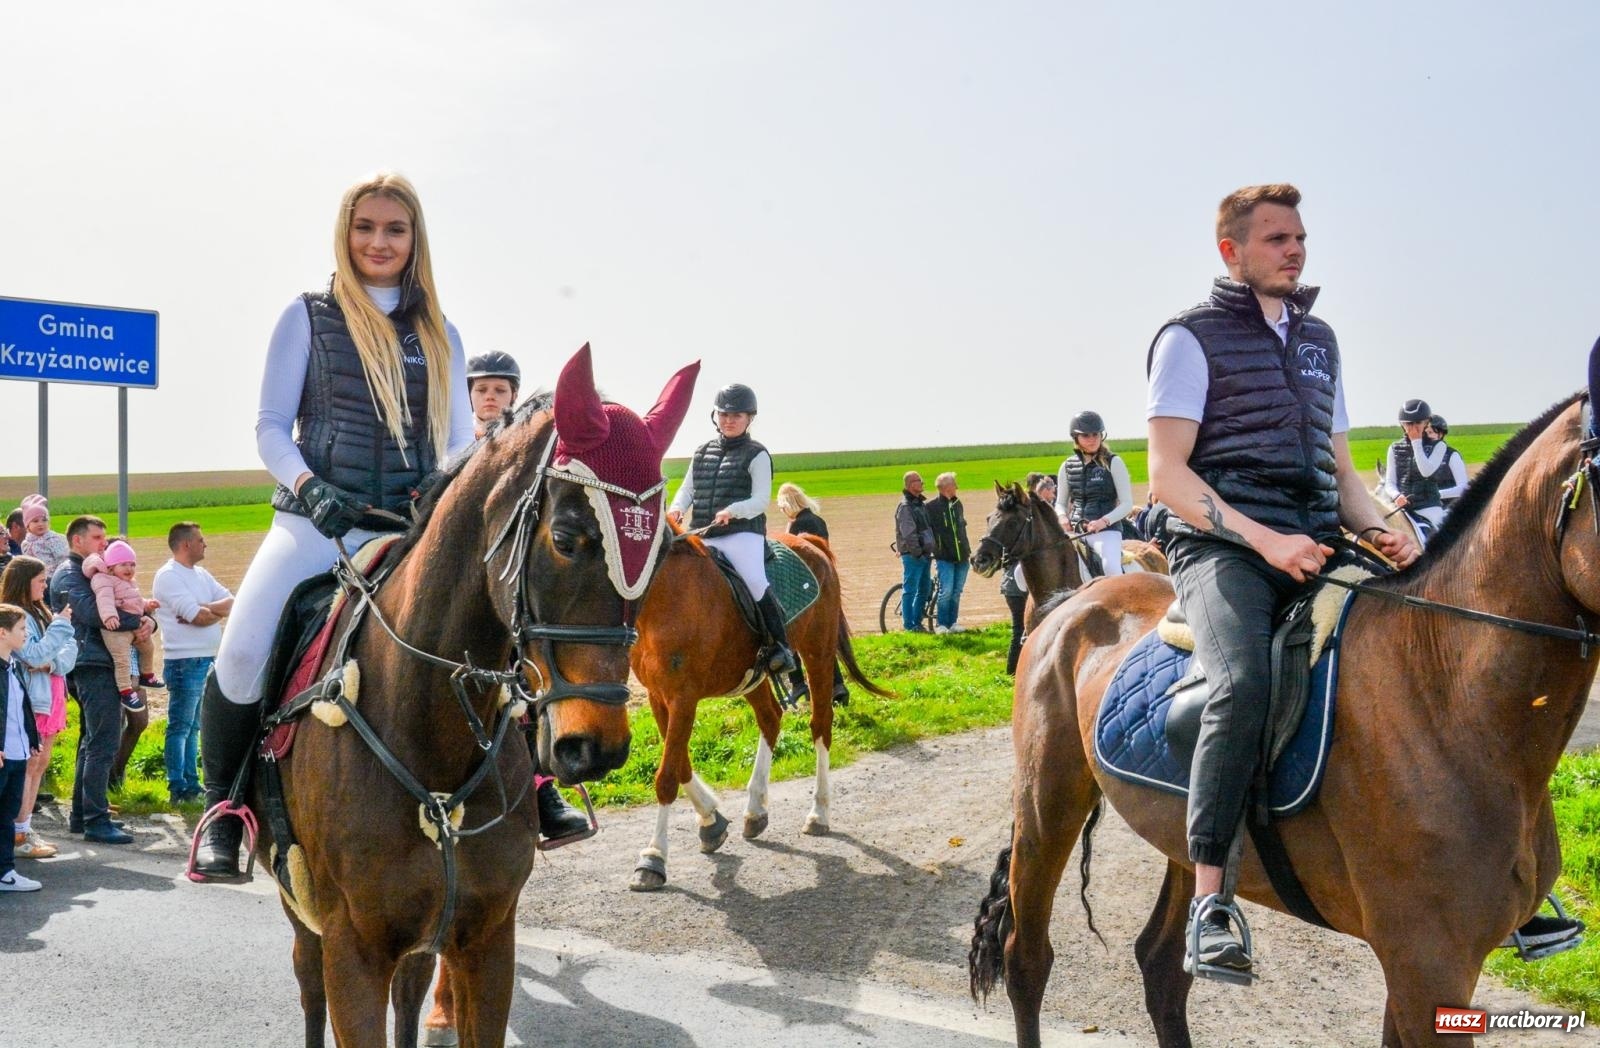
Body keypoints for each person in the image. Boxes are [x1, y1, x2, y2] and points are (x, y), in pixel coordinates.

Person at [1146, 183, 1420, 979]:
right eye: (1276, 239)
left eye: (1299, 237)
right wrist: (1266, 541)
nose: (1295, 250)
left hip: (1316, 535)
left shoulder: (1319, 340)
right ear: (1231, 251)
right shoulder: (1188, 339)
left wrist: (1381, 532)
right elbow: (1167, 477)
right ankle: (1211, 904)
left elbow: (1341, 475)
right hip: (1222, 546)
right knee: (1241, 683)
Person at [192, 172, 484, 881]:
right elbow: (269, 427)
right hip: (316, 524)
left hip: (408, 530)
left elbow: (460, 439)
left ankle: (534, 787)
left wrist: (443, 487)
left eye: (394, 229)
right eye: (366, 227)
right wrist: (309, 486)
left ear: (415, 240)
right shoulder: (307, 316)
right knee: (240, 651)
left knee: (492, 628)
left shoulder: (439, 332)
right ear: (345, 234)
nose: (378, 241)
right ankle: (225, 808)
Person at [666, 383, 796, 676]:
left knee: (753, 580)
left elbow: (761, 500)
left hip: (741, 533)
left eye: (736, 415)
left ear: (749, 418)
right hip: (704, 533)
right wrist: (676, 509)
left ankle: (780, 646)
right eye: (723, 414)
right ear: (715, 416)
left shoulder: (757, 454)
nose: (729, 420)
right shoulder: (701, 452)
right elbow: (688, 489)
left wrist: (733, 511)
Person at [151, 523, 233, 804]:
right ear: (186, 544)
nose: (205, 544)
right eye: (200, 539)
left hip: (207, 658)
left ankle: (193, 782)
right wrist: (209, 609)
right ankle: (178, 786)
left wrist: (205, 607)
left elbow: (232, 602)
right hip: (184, 661)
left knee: (195, 726)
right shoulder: (168, 577)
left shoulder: (201, 574)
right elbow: (196, 617)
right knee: (181, 726)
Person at [3, 557, 75, 861]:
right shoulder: (18, 615)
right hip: (35, 698)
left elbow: (71, 649)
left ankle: (24, 828)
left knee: (40, 764)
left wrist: (54, 661)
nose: (45, 586)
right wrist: (60, 627)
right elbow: (32, 655)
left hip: (52, 690)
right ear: (24, 581)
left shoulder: (40, 611)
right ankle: (19, 832)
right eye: (40, 580)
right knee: (30, 766)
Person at [1055, 410, 1135, 576]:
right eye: (1086, 435)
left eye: (1095, 434)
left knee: (1111, 568)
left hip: (1107, 532)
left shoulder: (1114, 462)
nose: (1092, 439)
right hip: (1075, 533)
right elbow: (1060, 503)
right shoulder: (1067, 466)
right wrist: (1062, 517)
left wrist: (1104, 522)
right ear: (1076, 438)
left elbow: (1127, 504)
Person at [84, 540, 164, 704]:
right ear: (112, 567)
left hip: (132, 626)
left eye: (132, 564)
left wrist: (147, 605)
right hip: (115, 628)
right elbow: (104, 599)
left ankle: (146, 675)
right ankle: (125, 691)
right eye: (123, 564)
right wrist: (109, 617)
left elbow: (135, 601)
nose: (129, 569)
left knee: (148, 647)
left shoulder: (129, 582)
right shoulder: (103, 579)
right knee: (122, 659)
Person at [0, 604, 45, 892]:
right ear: (2, 633)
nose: (26, 633)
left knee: (6, 813)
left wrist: (31, 738)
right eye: (21, 629)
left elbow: (19, 707)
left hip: (17, 752)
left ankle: (5, 872)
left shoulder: (13, 666)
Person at [1384, 398, 1449, 539]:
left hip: (1430, 508)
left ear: (1427, 422)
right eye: (1409, 423)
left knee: (1443, 543)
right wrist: (1396, 496)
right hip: (1402, 509)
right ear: (1402, 424)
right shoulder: (1393, 448)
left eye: (1418, 423)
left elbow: (1426, 471)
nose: (1414, 428)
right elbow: (1389, 482)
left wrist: (1416, 442)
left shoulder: (1438, 446)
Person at [926, 472, 971, 633]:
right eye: (954, 484)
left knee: (957, 592)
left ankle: (953, 623)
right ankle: (942, 624)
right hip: (944, 557)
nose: (957, 487)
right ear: (946, 487)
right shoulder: (931, 508)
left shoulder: (958, 504)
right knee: (945, 591)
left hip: (962, 557)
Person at [893, 472, 935, 632]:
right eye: (919, 481)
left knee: (924, 589)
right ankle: (909, 625)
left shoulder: (919, 504)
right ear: (911, 484)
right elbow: (909, 534)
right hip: (913, 556)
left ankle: (917, 623)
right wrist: (917, 553)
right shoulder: (906, 507)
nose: (922, 482)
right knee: (910, 590)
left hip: (923, 554)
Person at [466, 350, 521, 439]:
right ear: (469, 396)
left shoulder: (527, 436)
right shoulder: (450, 442)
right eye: (481, 390)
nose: (490, 396)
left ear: (514, 396)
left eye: (500, 390)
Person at [1427, 414, 1470, 511]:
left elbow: (1463, 488)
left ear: (1441, 434)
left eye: (1431, 432)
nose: (1428, 436)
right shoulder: (1419, 456)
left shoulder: (1452, 455)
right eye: (1425, 433)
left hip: (1449, 508)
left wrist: (1436, 494)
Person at [21, 501, 69, 574]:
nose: (40, 524)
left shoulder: (52, 539)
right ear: (28, 525)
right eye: (35, 521)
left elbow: (63, 558)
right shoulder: (26, 543)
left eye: (44, 520)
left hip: (53, 575)